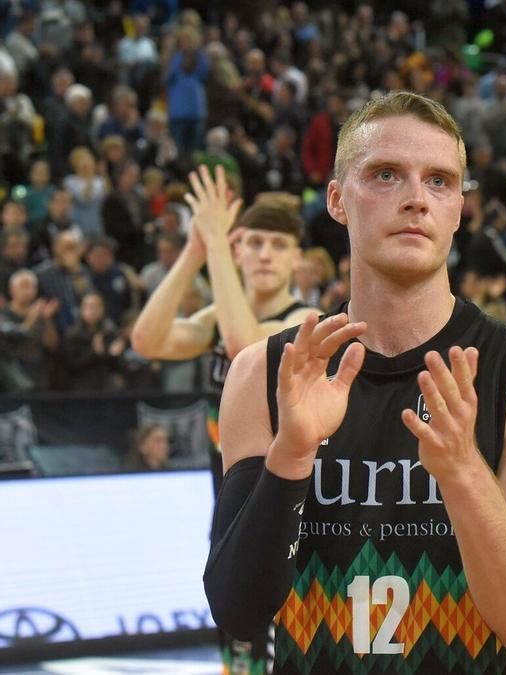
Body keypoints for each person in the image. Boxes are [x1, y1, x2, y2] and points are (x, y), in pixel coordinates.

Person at [203, 91, 506, 674]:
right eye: (385, 175)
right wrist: (292, 455)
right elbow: (238, 611)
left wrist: (462, 472)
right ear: (336, 199)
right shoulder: (265, 371)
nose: (415, 199)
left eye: (439, 181)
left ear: (458, 208)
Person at [130, 165, 318, 673]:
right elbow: (147, 340)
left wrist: (216, 241)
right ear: (237, 251)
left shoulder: (303, 321)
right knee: (237, 644)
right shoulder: (217, 318)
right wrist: (195, 250)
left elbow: (247, 347)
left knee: (284, 644)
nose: (263, 254)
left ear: (298, 258)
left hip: (291, 507)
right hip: (232, 496)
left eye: (278, 245)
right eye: (252, 242)